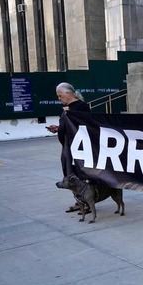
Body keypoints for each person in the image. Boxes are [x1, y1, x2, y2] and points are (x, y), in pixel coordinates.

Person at [46, 82, 92, 213]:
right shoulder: (67, 108)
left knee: (79, 175)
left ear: (68, 93)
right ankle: (79, 201)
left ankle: (87, 201)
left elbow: (84, 125)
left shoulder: (81, 107)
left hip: (78, 147)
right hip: (67, 146)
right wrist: (58, 128)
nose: (59, 98)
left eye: (60, 95)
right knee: (69, 174)